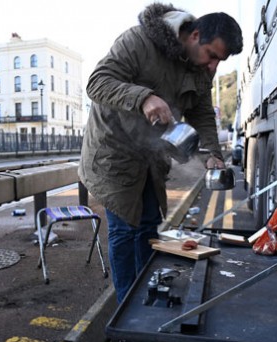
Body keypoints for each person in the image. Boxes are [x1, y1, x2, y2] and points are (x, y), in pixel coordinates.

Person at [78, 3, 243, 304]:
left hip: (151, 154)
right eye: (213, 56)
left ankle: (146, 297)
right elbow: (96, 82)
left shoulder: (201, 68)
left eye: (221, 60)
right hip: (113, 150)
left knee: (148, 225)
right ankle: (126, 309)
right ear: (194, 35)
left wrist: (213, 154)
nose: (214, 67)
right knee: (126, 230)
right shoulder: (138, 40)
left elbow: (204, 114)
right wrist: (143, 97)